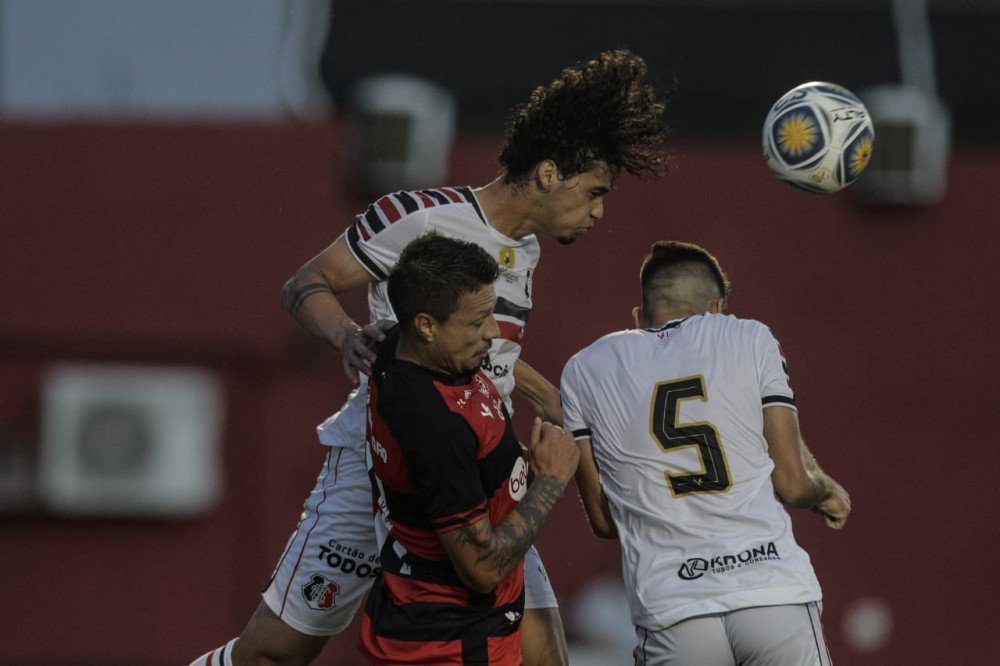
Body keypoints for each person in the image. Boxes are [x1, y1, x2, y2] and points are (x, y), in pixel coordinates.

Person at [191, 48, 668, 666]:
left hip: (474, 475)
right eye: (595, 192)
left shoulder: (524, 251)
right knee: (272, 655)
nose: (600, 212)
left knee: (545, 657)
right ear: (550, 173)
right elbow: (305, 284)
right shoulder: (414, 217)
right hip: (377, 471)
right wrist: (345, 335)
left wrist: (542, 393)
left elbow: (483, 351)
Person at [560, 240, 851, 666]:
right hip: (770, 592)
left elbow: (605, 521)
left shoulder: (584, 367)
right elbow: (791, 483)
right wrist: (826, 492)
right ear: (717, 309)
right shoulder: (748, 336)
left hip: (672, 609)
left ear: (640, 316)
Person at [360, 233, 579, 664]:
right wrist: (550, 482)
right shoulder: (433, 426)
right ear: (425, 325)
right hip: (456, 640)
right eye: (478, 320)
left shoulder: (397, 348)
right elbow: (481, 569)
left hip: (464, 618)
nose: (493, 333)